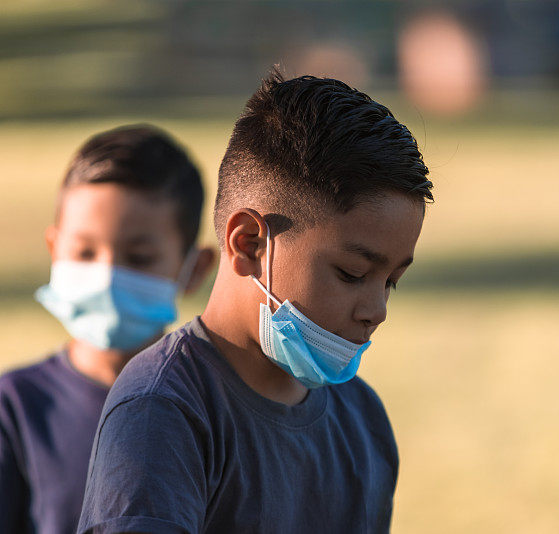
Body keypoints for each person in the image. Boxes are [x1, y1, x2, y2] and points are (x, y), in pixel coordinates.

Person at [78, 72, 434, 533]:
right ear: (248, 244)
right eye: (353, 274)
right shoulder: (163, 410)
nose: (376, 310)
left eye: (391, 281)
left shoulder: (362, 422)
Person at [0, 125, 215, 534]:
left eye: (138, 257)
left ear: (195, 268)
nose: (105, 276)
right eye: (84, 252)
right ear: (54, 249)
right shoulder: (15, 409)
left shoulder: (214, 408)